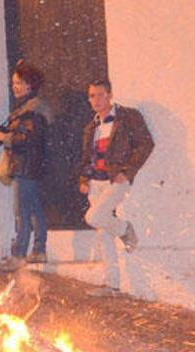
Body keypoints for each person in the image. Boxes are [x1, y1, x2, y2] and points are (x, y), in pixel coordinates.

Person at [78, 79, 154, 296]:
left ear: (110, 95)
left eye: (100, 95)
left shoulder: (128, 117)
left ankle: (124, 229)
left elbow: (146, 144)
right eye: (92, 96)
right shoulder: (90, 127)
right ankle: (112, 285)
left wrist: (127, 171)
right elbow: (86, 157)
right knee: (103, 233)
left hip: (115, 180)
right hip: (95, 182)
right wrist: (83, 179)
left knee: (93, 217)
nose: (96, 100)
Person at [0, 62, 53, 270]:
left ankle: (18, 256)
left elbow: (26, 139)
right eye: (13, 83)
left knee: (22, 212)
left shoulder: (32, 110)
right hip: (30, 166)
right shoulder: (31, 108)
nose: (14, 87)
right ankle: (38, 251)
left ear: (30, 85)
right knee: (34, 209)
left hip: (25, 167)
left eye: (19, 82)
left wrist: (4, 136)